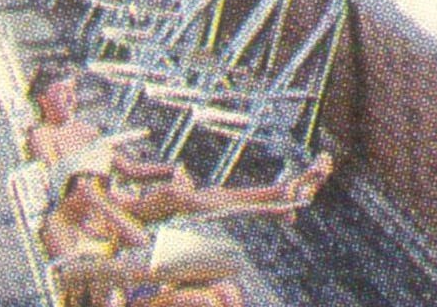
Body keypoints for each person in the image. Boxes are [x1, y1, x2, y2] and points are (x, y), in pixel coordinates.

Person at [25, 62, 331, 220]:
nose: (71, 99)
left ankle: (280, 198)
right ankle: (280, 197)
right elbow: (60, 183)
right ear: (43, 99)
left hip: (124, 199)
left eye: (72, 92)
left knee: (194, 194)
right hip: (102, 214)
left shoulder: (86, 129)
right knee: (184, 199)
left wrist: (168, 169)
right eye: (61, 94)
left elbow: (130, 170)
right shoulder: (42, 135)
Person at [44, 169, 249, 307]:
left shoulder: (92, 222)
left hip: (126, 291)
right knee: (203, 301)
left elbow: (139, 239)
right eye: (91, 190)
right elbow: (82, 278)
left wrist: (103, 206)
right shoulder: (57, 226)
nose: (98, 195)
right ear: (70, 191)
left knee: (227, 291)